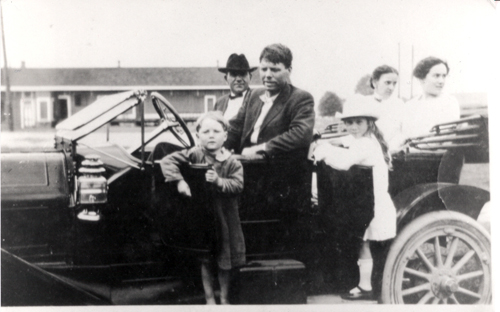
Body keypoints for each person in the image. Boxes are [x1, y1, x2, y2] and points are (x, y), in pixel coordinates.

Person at [314, 95, 397, 301]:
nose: (353, 127)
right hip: (370, 201)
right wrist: (326, 139)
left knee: (365, 244)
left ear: (369, 122)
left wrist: (323, 150)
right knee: (362, 244)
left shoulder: (366, 144)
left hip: (374, 205)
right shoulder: (364, 139)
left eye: (358, 122)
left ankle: (366, 286)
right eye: (349, 123)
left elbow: (343, 162)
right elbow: (346, 139)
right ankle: (366, 284)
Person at [160, 111, 245, 305]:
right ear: (198, 136)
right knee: (206, 261)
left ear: (225, 135)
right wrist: (180, 181)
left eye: (216, 131)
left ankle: (224, 299)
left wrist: (219, 181)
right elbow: (167, 161)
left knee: (225, 262)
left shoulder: (232, 162)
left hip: (225, 219)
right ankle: (209, 300)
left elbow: (238, 185)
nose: (211, 135)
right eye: (205, 131)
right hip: (204, 219)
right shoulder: (194, 154)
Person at [225, 42, 315, 217]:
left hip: (275, 176)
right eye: (264, 69)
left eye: (274, 70)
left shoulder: (300, 98)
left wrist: (261, 149)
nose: (267, 75)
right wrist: (214, 141)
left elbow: (301, 134)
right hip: (246, 167)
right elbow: (235, 127)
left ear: (289, 70)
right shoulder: (253, 95)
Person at [402, 57, 461, 140]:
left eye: (444, 76)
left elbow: (447, 137)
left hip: (438, 151)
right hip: (411, 151)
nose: (441, 81)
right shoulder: (410, 105)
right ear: (421, 78)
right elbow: (406, 134)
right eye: (436, 76)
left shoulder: (449, 102)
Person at [369, 65, 406, 152]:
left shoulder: (399, 104)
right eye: (387, 83)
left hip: (394, 150)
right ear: (375, 83)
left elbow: (404, 132)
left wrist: (392, 148)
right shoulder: (365, 103)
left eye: (394, 83)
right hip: (369, 150)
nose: (391, 88)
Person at [214, 53, 257, 120]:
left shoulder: (257, 100)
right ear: (226, 78)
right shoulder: (219, 103)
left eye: (243, 74)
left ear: (250, 77)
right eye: (233, 74)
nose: (238, 79)